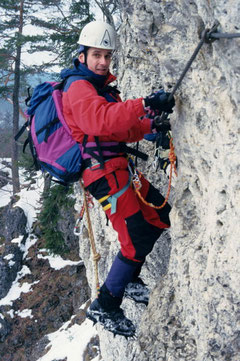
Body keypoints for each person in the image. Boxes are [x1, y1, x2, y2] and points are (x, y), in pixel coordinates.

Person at [61, 20, 175, 337]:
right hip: (103, 174)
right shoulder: (78, 88)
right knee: (135, 237)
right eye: (96, 54)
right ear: (81, 55)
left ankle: (131, 277)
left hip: (119, 168)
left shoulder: (99, 88)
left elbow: (119, 127)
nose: (102, 62)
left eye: (107, 56)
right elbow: (100, 121)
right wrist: (145, 103)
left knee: (160, 214)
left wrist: (150, 128)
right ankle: (106, 306)